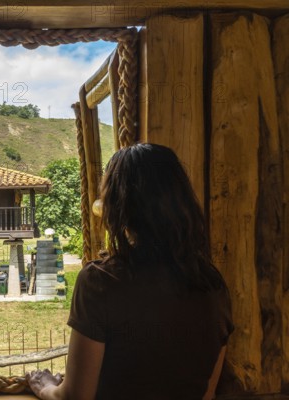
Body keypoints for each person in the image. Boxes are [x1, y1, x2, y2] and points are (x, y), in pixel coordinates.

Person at [26, 143, 234, 400]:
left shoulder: (100, 282)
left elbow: (76, 397)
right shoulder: (213, 285)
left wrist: (45, 386)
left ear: (117, 207)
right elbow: (207, 393)